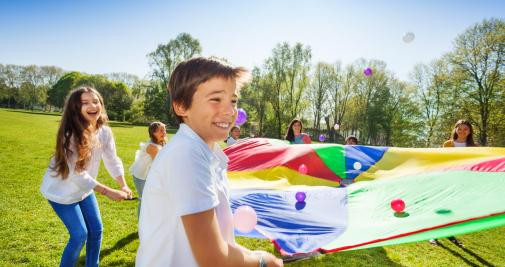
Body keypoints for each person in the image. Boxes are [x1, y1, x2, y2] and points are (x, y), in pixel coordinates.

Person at [136, 57, 283, 267]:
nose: (230, 111)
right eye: (216, 99)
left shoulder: (207, 153)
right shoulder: (186, 154)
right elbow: (214, 259)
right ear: (181, 106)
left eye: (233, 101)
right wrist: (262, 261)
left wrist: (253, 254)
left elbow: (221, 243)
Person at [40, 86, 132, 267]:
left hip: (84, 190)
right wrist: (108, 191)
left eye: (96, 101)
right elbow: (76, 173)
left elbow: (112, 159)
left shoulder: (104, 131)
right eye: (85, 102)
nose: (93, 105)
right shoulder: (70, 134)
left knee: (96, 231)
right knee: (80, 234)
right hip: (62, 193)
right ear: (75, 108)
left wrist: (123, 185)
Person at [429, 119, 476, 247]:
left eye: (465, 129)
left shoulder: (474, 148)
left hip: (462, 182)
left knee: (454, 209)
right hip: (447, 179)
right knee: (442, 206)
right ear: (455, 130)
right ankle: (433, 235)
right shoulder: (448, 144)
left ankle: (450, 233)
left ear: (470, 131)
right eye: (459, 128)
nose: (462, 131)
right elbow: (442, 161)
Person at [130, 122, 166, 217]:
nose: (164, 132)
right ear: (153, 133)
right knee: (144, 199)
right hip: (141, 176)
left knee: (152, 200)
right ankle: (141, 226)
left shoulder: (161, 142)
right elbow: (158, 165)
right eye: (161, 130)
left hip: (148, 174)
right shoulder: (152, 147)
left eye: (164, 130)